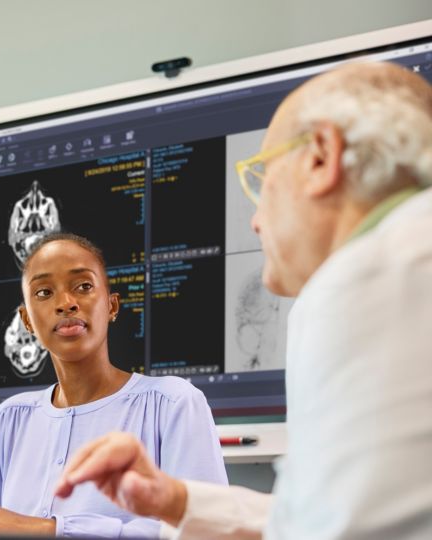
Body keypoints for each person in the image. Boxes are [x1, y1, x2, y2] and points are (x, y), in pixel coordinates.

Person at [55, 62, 432, 539]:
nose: (256, 222)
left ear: (320, 157)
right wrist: (174, 500)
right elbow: (319, 520)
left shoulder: (368, 275)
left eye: (261, 176)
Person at [0, 233, 228, 537]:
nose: (66, 303)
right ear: (27, 319)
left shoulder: (172, 404)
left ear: (112, 305)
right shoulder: (5, 423)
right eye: (44, 292)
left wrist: (49, 529)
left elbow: (206, 531)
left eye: (83, 286)